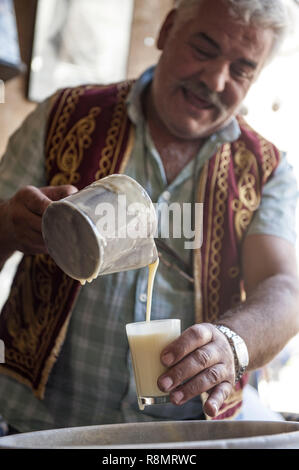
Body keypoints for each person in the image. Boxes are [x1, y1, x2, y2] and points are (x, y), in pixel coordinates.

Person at [0, 0, 298, 433]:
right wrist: (8, 223)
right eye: (204, 48)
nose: (215, 79)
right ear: (167, 30)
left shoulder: (267, 169)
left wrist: (234, 343)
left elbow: (285, 288)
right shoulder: (65, 116)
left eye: (241, 70)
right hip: (37, 425)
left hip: (186, 437)